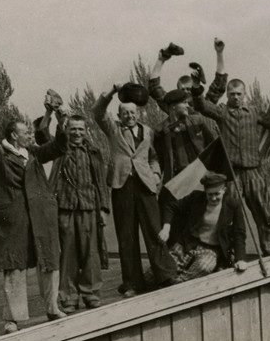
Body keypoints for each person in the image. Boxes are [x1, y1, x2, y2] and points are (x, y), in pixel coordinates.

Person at [0, 94, 68, 331]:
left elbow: (60, 146)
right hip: (14, 219)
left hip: (41, 217)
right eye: (26, 133)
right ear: (13, 136)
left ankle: (53, 308)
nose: (31, 135)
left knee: (49, 261)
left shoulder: (35, 153)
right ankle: (13, 318)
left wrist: (61, 118)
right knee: (14, 266)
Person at [197, 38, 270, 256]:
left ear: (245, 94)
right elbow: (202, 106)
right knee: (229, 216)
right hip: (231, 174)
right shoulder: (222, 112)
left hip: (254, 173)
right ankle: (231, 256)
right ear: (228, 95)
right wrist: (197, 90)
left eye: (239, 94)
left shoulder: (254, 112)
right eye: (231, 94)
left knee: (264, 215)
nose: (235, 97)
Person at [94, 82, 167, 296]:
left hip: (145, 185)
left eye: (133, 112)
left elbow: (153, 157)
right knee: (126, 236)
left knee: (154, 231)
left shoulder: (148, 132)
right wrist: (113, 91)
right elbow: (97, 111)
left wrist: (155, 175)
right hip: (122, 185)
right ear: (119, 114)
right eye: (125, 112)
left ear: (138, 113)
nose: (129, 116)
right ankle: (132, 284)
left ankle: (164, 275)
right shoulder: (113, 129)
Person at [51, 114, 112, 313]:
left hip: (89, 207)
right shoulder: (60, 149)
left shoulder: (94, 151)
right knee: (68, 254)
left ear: (86, 131)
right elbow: (44, 136)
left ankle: (91, 294)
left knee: (91, 252)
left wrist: (103, 208)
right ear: (67, 131)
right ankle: (68, 298)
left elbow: (101, 182)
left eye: (80, 129)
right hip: (66, 207)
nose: (77, 133)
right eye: (73, 129)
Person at [155, 172, 249, 283]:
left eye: (217, 194)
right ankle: (163, 280)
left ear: (224, 190)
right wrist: (166, 228)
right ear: (205, 192)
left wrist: (240, 259)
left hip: (211, 249)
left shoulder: (233, 205)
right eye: (210, 194)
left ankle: (175, 284)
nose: (213, 198)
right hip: (188, 244)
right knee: (158, 270)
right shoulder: (196, 198)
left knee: (204, 267)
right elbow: (171, 207)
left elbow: (239, 233)